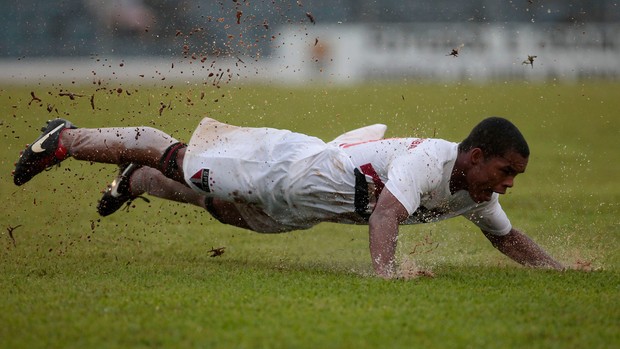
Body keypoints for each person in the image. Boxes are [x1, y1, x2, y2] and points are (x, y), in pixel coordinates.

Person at [12, 116, 564, 278]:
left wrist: (562, 269)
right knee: (180, 158)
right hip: (287, 172)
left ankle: (133, 181)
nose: (508, 183)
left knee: (224, 212)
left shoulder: (474, 193)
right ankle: (67, 139)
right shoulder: (431, 161)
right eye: (505, 170)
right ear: (474, 156)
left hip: (301, 208)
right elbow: (387, 218)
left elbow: (508, 239)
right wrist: (388, 274)